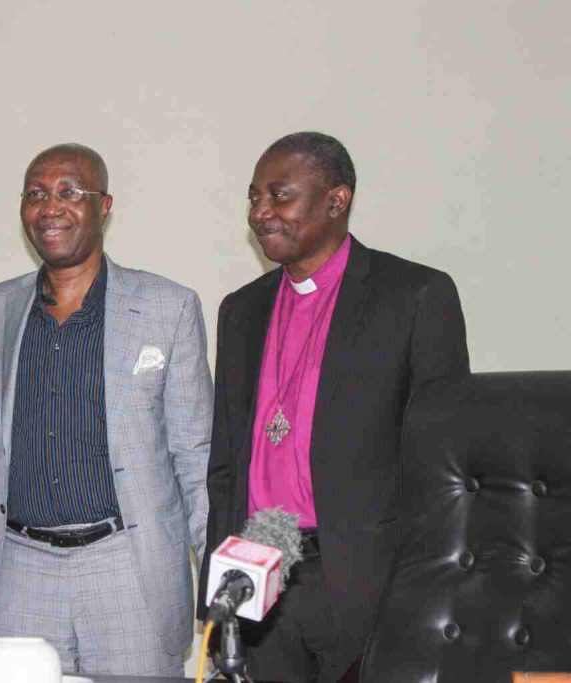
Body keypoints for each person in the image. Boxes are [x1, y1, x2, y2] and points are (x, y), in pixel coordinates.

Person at [0, 143, 212, 676]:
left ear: (104, 206)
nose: (51, 208)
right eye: (36, 194)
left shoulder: (168, 307)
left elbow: (195, 455)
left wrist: (223, 581)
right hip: (22, 569)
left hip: (127, 567)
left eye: (70, 193)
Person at [200, 132, 470, 682]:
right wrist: (218, 590)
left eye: (280, 196)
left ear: (336, 199)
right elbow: (226, 464)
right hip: (262, 574)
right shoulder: (241, 310)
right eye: (253, 197)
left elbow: (447, 467)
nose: (261, 213)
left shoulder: (415, 296)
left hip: (368, 583)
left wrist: (435, 592)